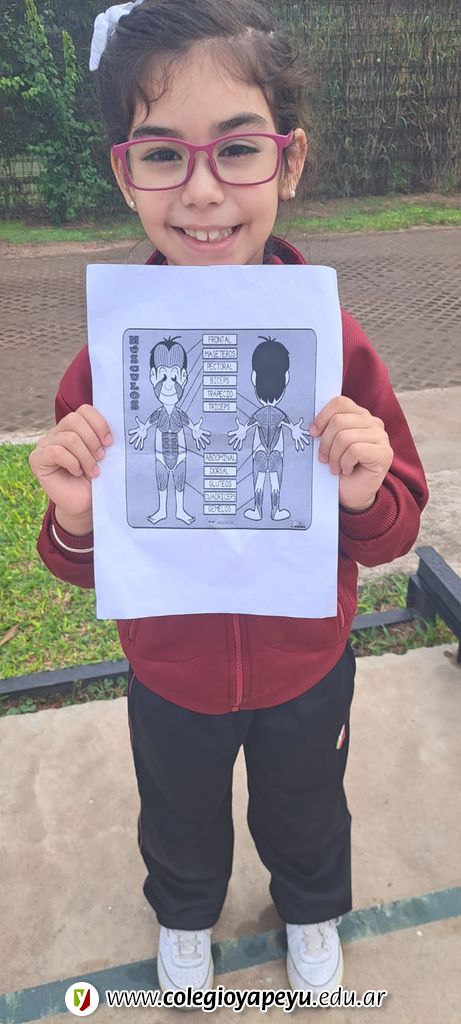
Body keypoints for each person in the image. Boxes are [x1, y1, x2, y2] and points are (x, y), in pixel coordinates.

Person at [29, 0, 429, 1000]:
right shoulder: (106, 359)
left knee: (306, 802)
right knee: (176, 811)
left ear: (288, 162)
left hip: (306, 659)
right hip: (169, 670)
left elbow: (395, 523)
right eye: (162, 154)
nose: (202, 190)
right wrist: (73, 513)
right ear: (125, 173)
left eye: (237, 149)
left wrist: (363, 489)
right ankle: (183, 915)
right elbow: (79, 554)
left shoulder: (335, 344)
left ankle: (310, 907)